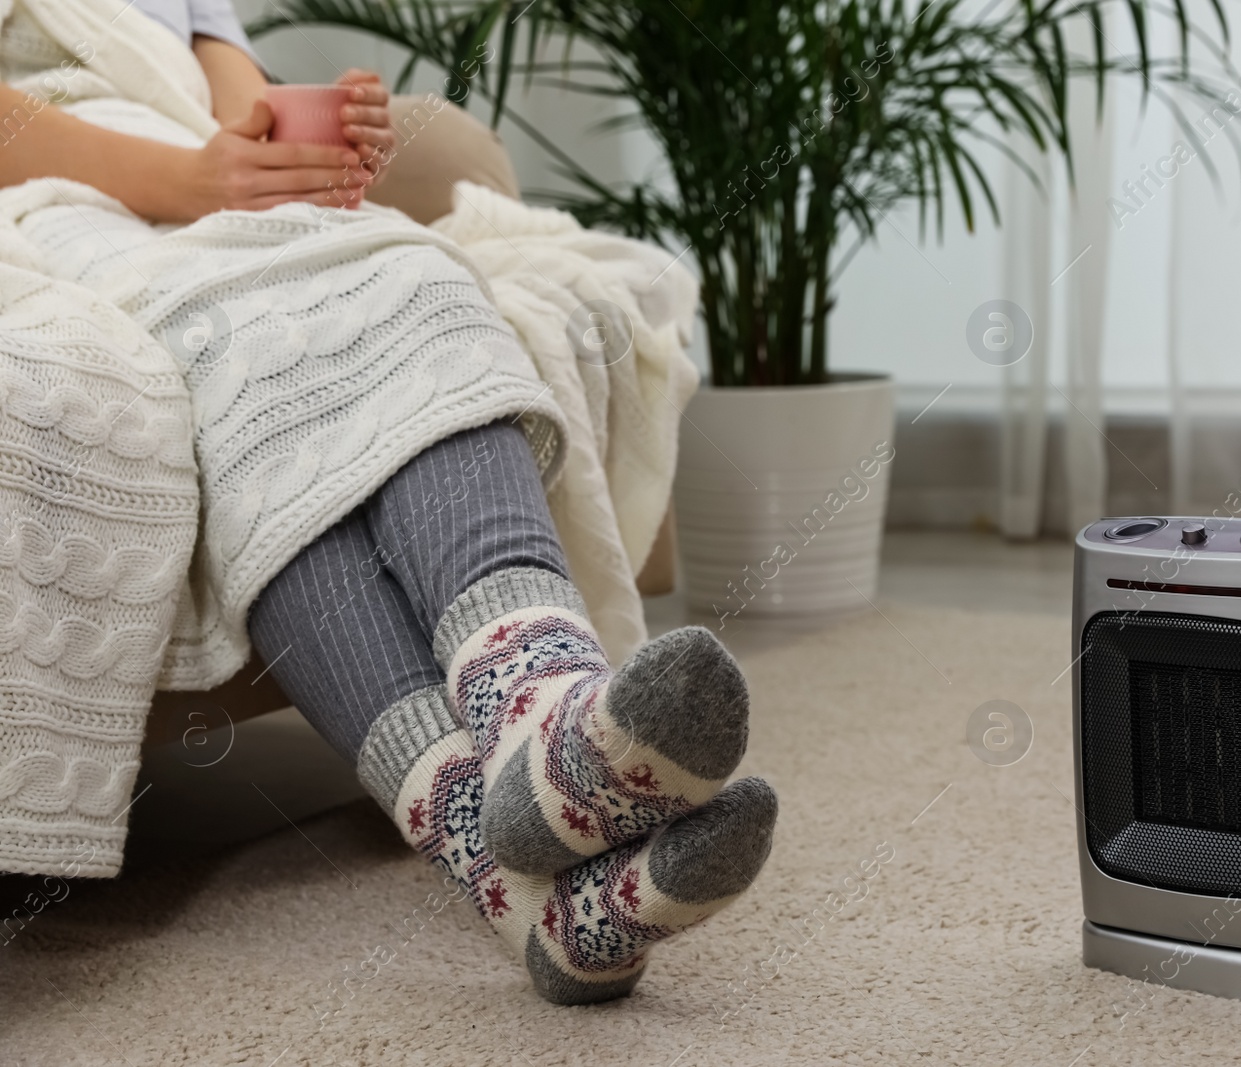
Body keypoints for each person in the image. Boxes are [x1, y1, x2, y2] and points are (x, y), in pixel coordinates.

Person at [0, 0, 775, 1005]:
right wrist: (196, 180)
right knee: (260, 341)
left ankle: (540, 766)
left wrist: (302, 145)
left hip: (197, 192)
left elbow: (239, 101)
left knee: (406, 284)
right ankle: (540, 813)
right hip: (49, 203)